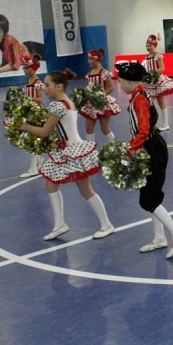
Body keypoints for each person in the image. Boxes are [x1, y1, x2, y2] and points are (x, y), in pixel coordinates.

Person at [19, 69, 114, 241]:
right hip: (70, 151)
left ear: (59, 86)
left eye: (47, 85)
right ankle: (59, 225)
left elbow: (45, 132)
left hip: (72, 152)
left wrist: (25, 127)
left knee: (86, 190)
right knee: (51, 185)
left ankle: (106, 224)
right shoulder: (67, 102)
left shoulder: (58, 106)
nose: (44, 88)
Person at [116, 62, 173, 258]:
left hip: (151, 148)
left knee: (148, 199)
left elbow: (143, 130)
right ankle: (159, 238)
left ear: (129, 81)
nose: (119, 84)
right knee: (150, 194)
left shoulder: (139, 99)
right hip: (150, 146)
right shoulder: (140, 95)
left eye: (121, 81)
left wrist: (129, 150)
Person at [79, 48, 121, 144]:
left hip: (102, 103)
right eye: (88, 59)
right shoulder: (89, 74)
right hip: (91, 104)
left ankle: (114, 145)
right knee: (88, 127)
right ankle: (90, 147)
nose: (88, 61)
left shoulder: (104, 73)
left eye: (91, 59)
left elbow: (111, 88)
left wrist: (100, 96)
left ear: (97, 59)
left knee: (104, 128)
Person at [18, 54, 46, 178]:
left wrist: (27, 98)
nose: (25, 71)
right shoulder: (28, 81)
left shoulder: (37, 82)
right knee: (25, 139)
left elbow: (40, 100)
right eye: (24, 68)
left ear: (33, 68)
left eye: (27, 68)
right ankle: (38, 159)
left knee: (31, 140)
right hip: (29, 113)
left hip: (35, 114)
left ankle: (33, 168)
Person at [142, 34, 173, 131]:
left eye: (150, 46)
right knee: (148, 102)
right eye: (147, 46)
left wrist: (152, 73)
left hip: (157, 80)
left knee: (160, 101)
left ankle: (165, 123)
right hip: (149, 81)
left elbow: (162, 68)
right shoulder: (146, 56)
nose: (148, 48)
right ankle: (151, 123)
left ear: (154, 46)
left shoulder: (157, 55)